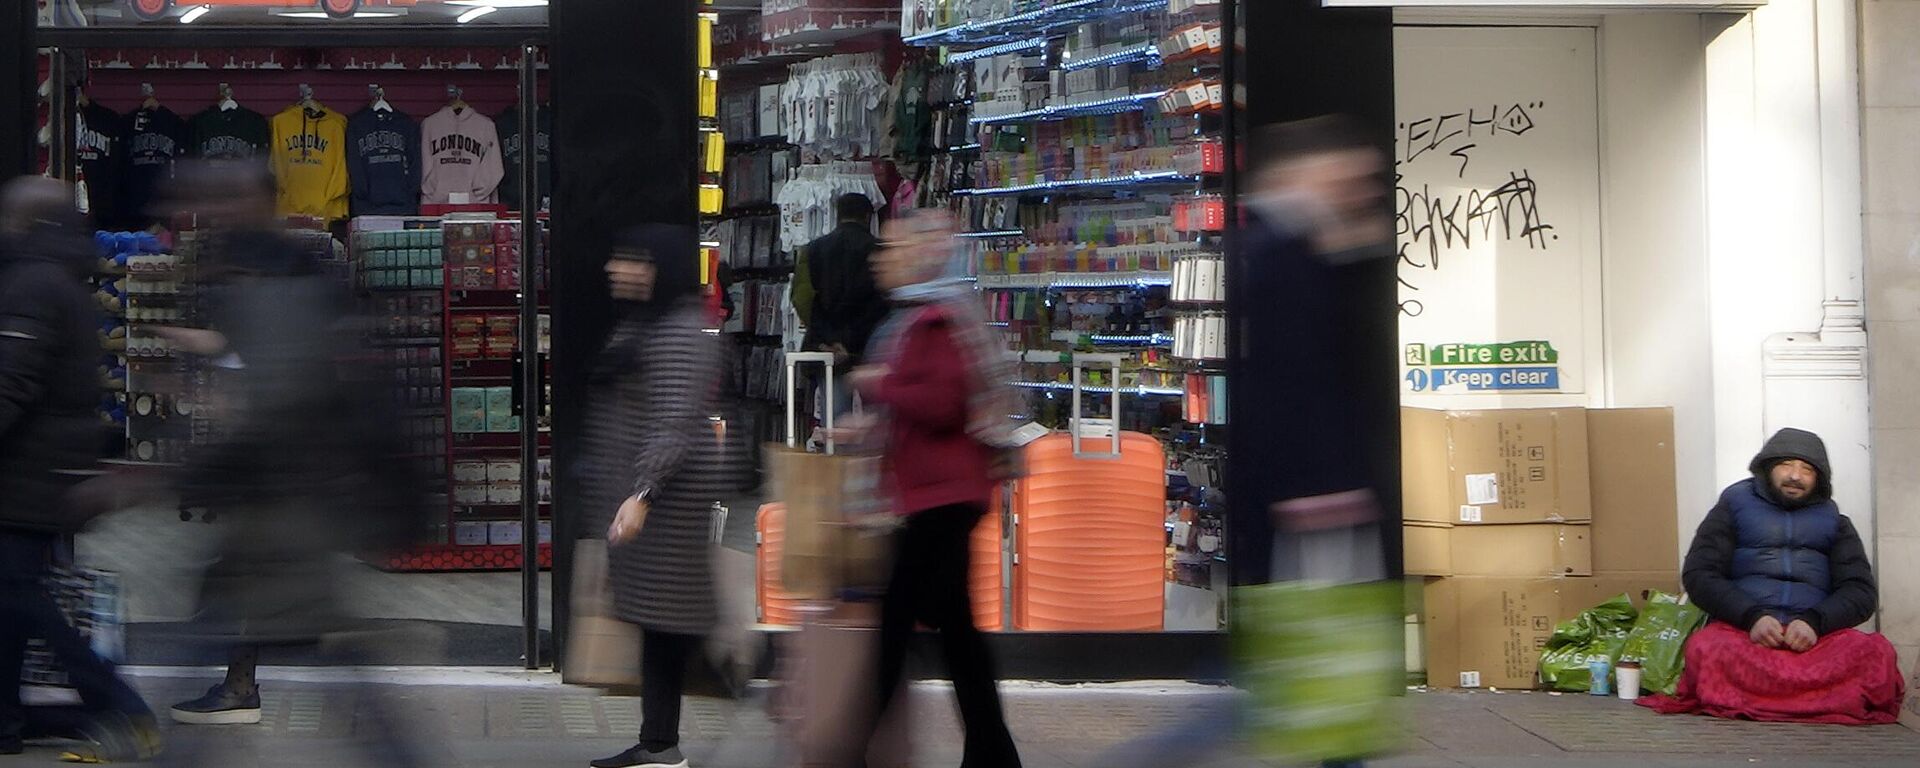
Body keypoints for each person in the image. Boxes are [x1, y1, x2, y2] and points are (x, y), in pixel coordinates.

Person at [851, 210, 1023, 768]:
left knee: (899, 623)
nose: (884, 260)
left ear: (922, 255)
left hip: (942, 497)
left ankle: (850, 749)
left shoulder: (935, 319)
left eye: (894, 249)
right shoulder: (921, 316)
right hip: (938, 493)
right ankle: (993, 756)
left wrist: (884, 386)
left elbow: (942, 403)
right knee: (955, 633)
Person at [0, 176, 160, 762]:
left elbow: (11, 382)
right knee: (13, 601)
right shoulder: (59, 279)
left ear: (26, 224)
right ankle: (6, 721)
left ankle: (115, 702)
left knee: (22, 597)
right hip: (45, 471)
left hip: (25, 472)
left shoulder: (33, 284)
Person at [584, 225, 730, 768]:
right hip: (648, 507)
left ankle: (724, 681)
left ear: (658, 269)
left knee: (669, 621)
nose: (614, 268)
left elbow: (674, 423)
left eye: (630, 259)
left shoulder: (678, 333)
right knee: (661, 625)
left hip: (665, 508)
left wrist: (642, 493)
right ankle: (659, 743)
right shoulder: (648, 326)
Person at [1645, 428, 1903, 724]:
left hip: (1814, 643)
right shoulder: (1732, 506)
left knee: (1876, 651)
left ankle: (1760, 698)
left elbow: (1860, 592)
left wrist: (1814, 622)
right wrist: (1751, 617)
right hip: (1745, 637)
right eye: (1786, 465)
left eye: (1807, 469)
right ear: (1767, 467)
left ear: (1819, 478)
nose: (1795, 475)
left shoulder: (1836, 521)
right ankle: (1818, 702)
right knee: (1707, 647)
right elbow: (1699, 574)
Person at [801, 193, 888, 417]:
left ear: (838, 215)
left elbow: (802, 298)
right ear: (868, 216)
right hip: (869, 348)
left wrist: (828, 340)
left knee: (836, 422)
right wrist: (851, 342)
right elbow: (883, 302)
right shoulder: (880, 251)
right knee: (875, 421)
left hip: (828, 349)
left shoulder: (812, 250)